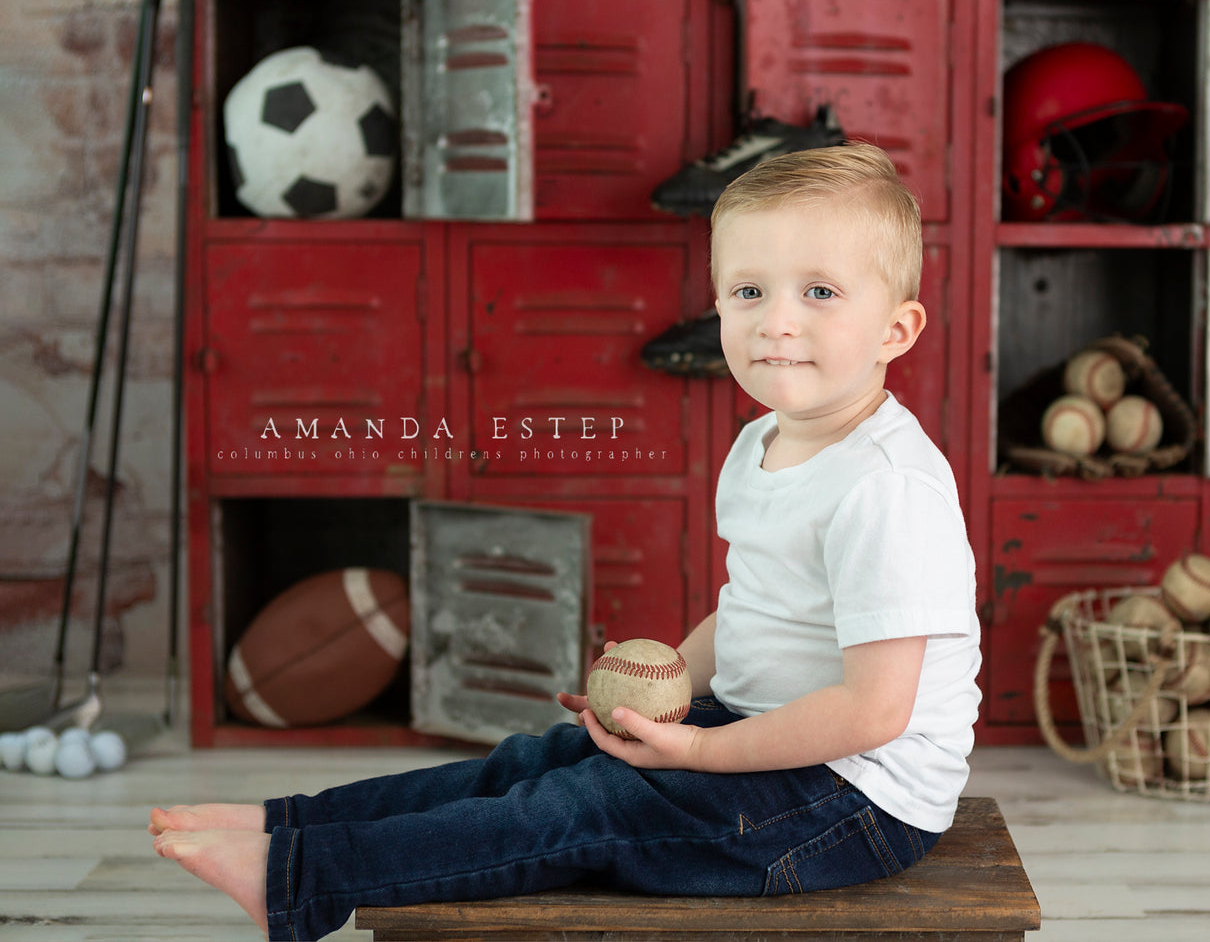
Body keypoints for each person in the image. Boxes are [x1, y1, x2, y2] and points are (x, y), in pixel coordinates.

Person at [150, 142, 982, 941]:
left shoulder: (887, 487)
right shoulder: (761, 440)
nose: (777, 323)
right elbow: (751, 609)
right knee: (537, 758)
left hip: (856, 801)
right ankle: (289, 824)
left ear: (895, 331)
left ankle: (294, 878)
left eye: (821, 294)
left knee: (585, 807)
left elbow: (875, 710)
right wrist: (665, 692)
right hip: (767, 730)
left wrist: (696, 747)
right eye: (749, 291)